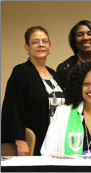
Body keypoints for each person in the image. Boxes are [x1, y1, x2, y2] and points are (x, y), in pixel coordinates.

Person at [1, 26, 65, 156]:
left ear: (50, 46)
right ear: (26, 47)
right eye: (35, 42)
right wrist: (20, 141)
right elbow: (12, 108)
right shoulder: (21, 71)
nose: (41, 45)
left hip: (58, 141)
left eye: (44, 41)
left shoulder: (54, 74)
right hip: (35, 141)